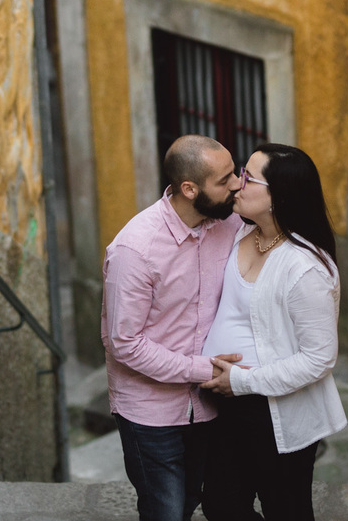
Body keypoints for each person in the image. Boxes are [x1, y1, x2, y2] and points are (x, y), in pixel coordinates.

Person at [101, 135, 247, 521]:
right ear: (189, 189)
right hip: (150, 413)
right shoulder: (134, 250)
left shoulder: (229, 225)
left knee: (187, 502)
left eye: (236, 172)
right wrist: (204, 370)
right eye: (225, 179)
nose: (237, 184)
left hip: (209, 408)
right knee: (164, 510)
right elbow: (125, 343)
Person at [200, 143, 347, 521]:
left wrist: (244, 381)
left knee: (287, 509)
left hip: (276, 410)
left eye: (248, 178)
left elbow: (319, 359)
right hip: (228, 404)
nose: (237, 184)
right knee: (221, 504)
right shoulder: (237, 233)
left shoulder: (305, 268)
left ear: (277, 196)